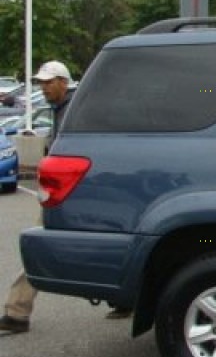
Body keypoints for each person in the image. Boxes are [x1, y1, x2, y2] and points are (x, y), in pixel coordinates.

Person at [0, 61, 129, 334]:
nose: (43, 87)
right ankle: (124, 299)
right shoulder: (64, 109)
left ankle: (16, 312)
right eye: (41, 83)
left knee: (40, 248)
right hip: (78, 190)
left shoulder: (73, 110)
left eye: (48, 82)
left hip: (74, 191)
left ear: (63, 82)